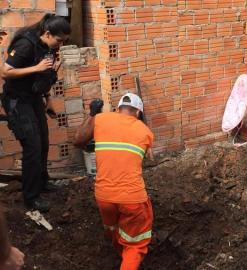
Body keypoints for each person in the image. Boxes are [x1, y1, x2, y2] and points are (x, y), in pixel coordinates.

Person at [73, 93, 154, 270]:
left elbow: (78, 140)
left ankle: (122, 255)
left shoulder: (101, 119)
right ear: (138, 113)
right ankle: (129, 260)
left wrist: (93, 114)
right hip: (132, 199)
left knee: (113, 228)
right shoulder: (146, 132)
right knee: (136, 246)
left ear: (118, 109)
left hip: (104, 197)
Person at [0, 14, 71, 212]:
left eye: (64, 41)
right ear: (47, 33)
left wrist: (48, 100)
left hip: (34, 98)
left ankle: (42, 182)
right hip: (17, 100)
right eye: (59, 40)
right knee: (32, 145)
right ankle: (31, 197)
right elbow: (5, 72)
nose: (61, 45)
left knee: (43, 141)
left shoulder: (48, 47)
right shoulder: (26, 44)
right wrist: (36, 67)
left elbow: (44, 75)